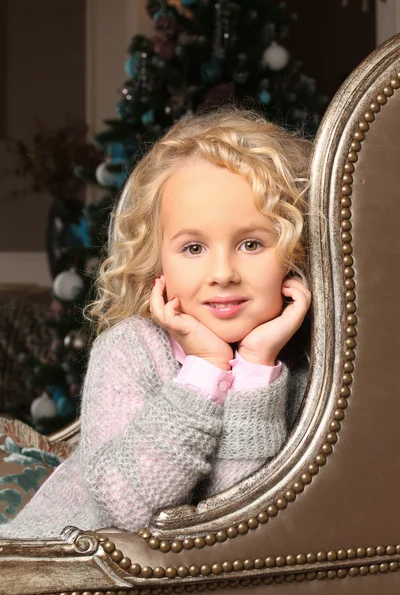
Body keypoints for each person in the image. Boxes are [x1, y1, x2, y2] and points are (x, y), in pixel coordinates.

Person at [0, 107, 311, 539]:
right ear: (157, 260)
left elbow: (236, 526)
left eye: (251, 243)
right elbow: (128, 510)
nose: (222, 273)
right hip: (54, 569)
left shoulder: (297, 366)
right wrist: (205, 369)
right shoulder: (130, 348)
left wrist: (255, 367)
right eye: (194, 248)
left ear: (294, 252)